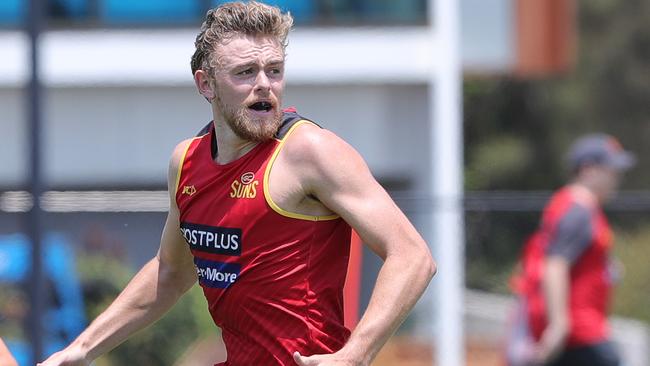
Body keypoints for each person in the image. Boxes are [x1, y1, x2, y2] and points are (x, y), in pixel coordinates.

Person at [39, 2, 436, 365]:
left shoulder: (310, 152)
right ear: (205, 84)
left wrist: (356, 355)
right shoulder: (187, 161)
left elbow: (413, 256)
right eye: (245, 72)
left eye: (274, 70)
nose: (264, 84)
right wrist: (81, 349)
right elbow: (171, 274)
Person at [509, 134, 634, 366]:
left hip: (580, 332)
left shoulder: (575, 207)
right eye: (611, 170)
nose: (617, 178)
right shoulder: (579, 211)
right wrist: (559, 325)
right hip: (580, 332)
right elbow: (555, 265)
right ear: (588, 170)